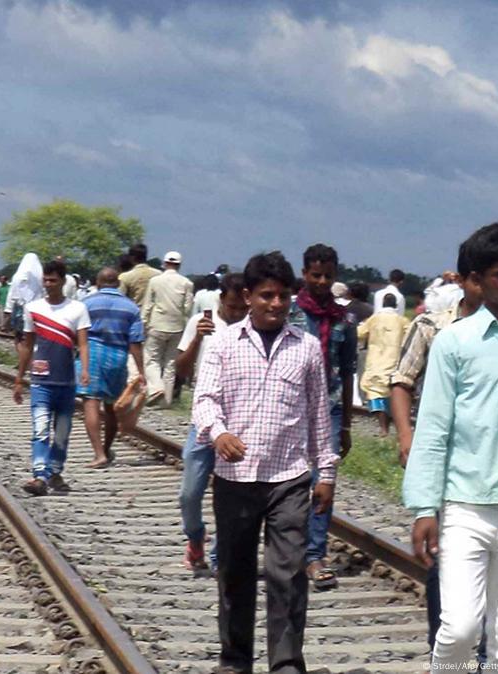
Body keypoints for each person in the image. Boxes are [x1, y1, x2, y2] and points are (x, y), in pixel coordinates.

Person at [193, 251, 335, 674]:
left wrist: (324, 471)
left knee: (288, 574)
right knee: (235, 574)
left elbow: (317, 413)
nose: (275, 304)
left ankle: (286, 663)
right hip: (235, 478)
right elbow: (204, 401)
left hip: (288, 478)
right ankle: (235, 660)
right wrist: (219, 433)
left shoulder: (307, 348)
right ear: (248, 296)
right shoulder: (221, 343)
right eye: (266, 296)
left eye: (283, 296)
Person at [404, 221, 498, 669]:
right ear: (476, 281)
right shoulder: (455, 343)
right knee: (460, 627)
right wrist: (425, 508)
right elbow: (434, 429)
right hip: (466, 506)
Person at [389, 240, 482, 650]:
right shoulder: (432, 327)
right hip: (444, 457)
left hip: (495, 463)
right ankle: (444, 646)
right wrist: (407, 435)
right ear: (463, 281)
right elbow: (402, 381)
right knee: (445, 556)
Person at [286, 243, 355, 592]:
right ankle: (285, 547)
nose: (322, 281)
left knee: (323, 481)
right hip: (290, 406)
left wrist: (345, 425)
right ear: (304, 274)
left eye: (328, 275)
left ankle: (315, 553)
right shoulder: (290, 312)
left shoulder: (344, 320)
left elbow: (347, 372)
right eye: (316, 275)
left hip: (328, 407)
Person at [174, 273, 247, 572]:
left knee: (231, 497)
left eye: (242, 308)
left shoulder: (252, 328)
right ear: (221, 301)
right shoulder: (200, 323)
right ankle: (195, 537)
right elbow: (180, 368)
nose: (237, 314)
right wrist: (197, 339)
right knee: (189, 494)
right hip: (204, 423)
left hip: (240, 422)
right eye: (232, 307)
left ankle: (219, 556)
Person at [13, 259, 90, 497]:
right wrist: (19, 377)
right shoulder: (33, 309)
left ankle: (55, 471)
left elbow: (83, 344)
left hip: (66, 381)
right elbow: (27, 345)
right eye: (45, 280)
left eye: (53, 280)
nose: (48, 284)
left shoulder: (77, 309)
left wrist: (85, 370)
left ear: (63, 281)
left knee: (62, 432)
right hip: (40, 382)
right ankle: (39, 475)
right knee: (40, 429)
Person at [76, 267, 145, 469]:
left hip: (92, 354)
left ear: (97, 283)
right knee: (111, 406)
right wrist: (141, 371)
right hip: (118, 356)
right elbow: (135, 342)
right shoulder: (131, 308)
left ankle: (98, 454)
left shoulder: (86, 303)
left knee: (91, 403)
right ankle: (107, 448)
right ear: (118, 283)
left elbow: (76, 334)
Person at [141, 251, 194, 406]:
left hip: (157, 324)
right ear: (179, 265)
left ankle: (156, 389)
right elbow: (187, 307)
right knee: (170, 363)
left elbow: (148, 304)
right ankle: (166, 400)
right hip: (176, 326)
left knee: (151, 360)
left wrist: (143, 323)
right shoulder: (187, 283)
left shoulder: (155, 281)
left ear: (164, 264)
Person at [357, 294, 409, 436]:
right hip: (394, 361)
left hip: (375, 361)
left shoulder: (373, 319)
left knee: (375, 393)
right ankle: (395, 428)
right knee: (392, 393)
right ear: (396, 306)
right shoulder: (402, 321)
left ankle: (383, 428)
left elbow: (360, 333)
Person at [5, 253, 45, 347]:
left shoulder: (17, 276)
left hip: (20, 308)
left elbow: (12, 293)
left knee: (18, 335)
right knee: (33, 335)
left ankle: (22, 355)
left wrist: (8, 309)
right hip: (37, 310)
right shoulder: (41, 276)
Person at [118, 242, 158, 307]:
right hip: (153, 314)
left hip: (134, 313)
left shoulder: (125, 277)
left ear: (132, 258)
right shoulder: (159, 274)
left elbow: (120, 299)